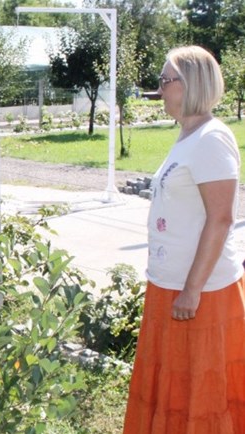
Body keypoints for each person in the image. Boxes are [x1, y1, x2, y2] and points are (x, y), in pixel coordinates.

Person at [123, 46, 245, 433]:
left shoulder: (211, 138)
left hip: (201, 295)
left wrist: (192, 290)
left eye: (165, 80)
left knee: (202, 396)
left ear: (191, 83)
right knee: (175, 390)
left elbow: (221, 218)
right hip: (170, 286)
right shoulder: (189, 135)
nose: (160, 89)